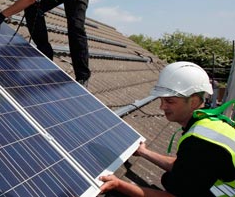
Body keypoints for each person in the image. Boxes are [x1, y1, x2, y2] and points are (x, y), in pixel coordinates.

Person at [99, 61, 235, 197]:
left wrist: (119, 184)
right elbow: (185, 166)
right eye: (161, 100)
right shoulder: (209, 124)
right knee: (171, 179)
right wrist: (143, 152)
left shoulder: (201, 142)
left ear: (193, 101)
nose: (162, 107)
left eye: (169, 101)